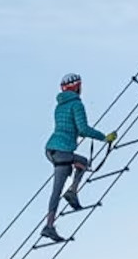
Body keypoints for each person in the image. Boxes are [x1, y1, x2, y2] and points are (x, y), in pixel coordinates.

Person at [40, 73, 114, 242]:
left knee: (58, 188)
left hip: (52, 150)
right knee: (82, 163)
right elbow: (82, 129)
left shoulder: (59, 106)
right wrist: (104, 137)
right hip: (63, 151)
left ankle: (50, 224)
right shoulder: (76, 104)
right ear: (77, 87)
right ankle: (71, 193)